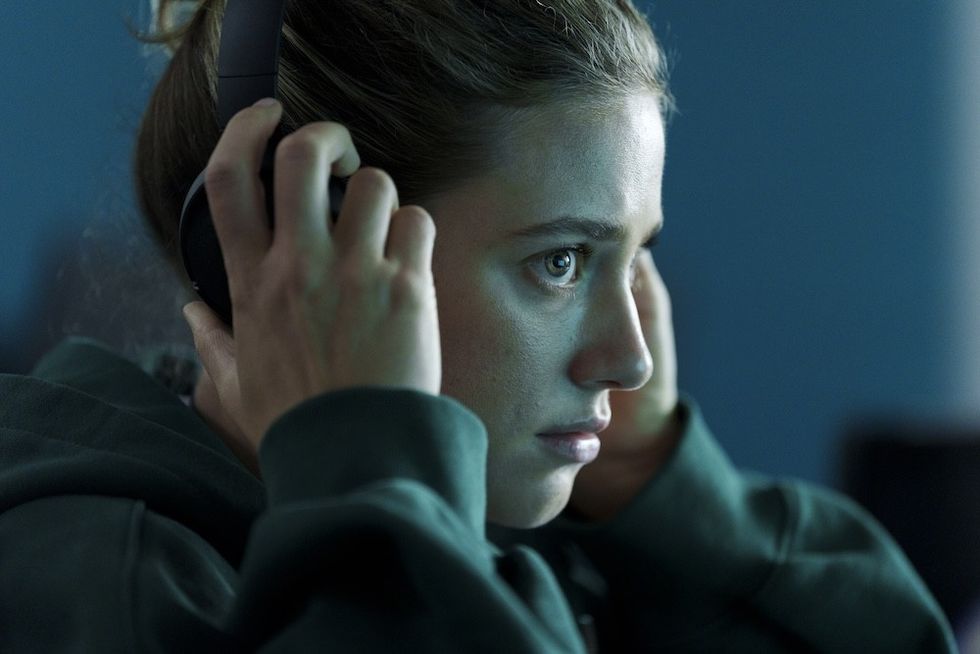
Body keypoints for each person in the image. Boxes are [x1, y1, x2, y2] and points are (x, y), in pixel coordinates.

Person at [0, 0, 957, 651]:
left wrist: (660, 492)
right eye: (561, 261)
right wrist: (373, 455)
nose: (629, 359)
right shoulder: (100, 585)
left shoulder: (508, 524)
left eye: (638, 256)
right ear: (306, 239)